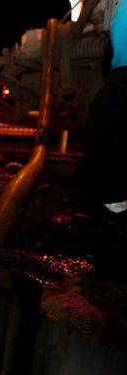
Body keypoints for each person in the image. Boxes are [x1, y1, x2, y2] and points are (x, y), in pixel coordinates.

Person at [83, 0, 127, 221]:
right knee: (103, 124)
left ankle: (115, 198)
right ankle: (115, 198)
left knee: (103, 123)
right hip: (121, 71)